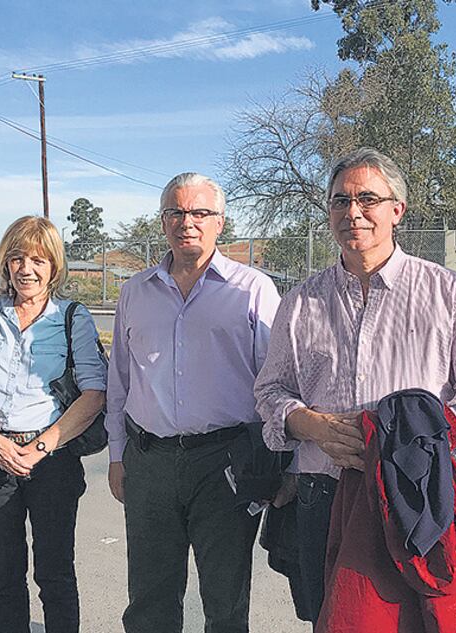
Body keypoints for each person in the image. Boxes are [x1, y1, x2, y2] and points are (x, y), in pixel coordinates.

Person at [253, 148, 456, 628]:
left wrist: (426, 436)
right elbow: (270, 390)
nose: (353, 212)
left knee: (421, 622)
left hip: (416, 497)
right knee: (331, 621)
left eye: (367, 199)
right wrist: (307, 423)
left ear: (397, 210)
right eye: (340, 201)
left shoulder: (448, 294)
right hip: (323, 493)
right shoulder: (301, 302)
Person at [105, 172, 281, 633]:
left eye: (200, 212)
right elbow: (119, 381)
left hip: (225, 463)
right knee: (149, 599)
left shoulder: (254, 290)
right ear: (162, 222)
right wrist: (118, 455)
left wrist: (282, 465)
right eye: (176, 212)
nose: (188, 222)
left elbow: (277, 381)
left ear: (221, 222)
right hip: (149, 462)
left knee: (225, 601)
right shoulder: (135, 292)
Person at [0, 215, 106, 633]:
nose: (26, 269)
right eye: (17, 258)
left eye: (38, 260)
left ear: (53, 266)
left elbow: (95, 393)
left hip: (52, 462)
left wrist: (41, 447)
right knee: (4, 578)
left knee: (55, 576)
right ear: (5, 264)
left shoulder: (73, 317)